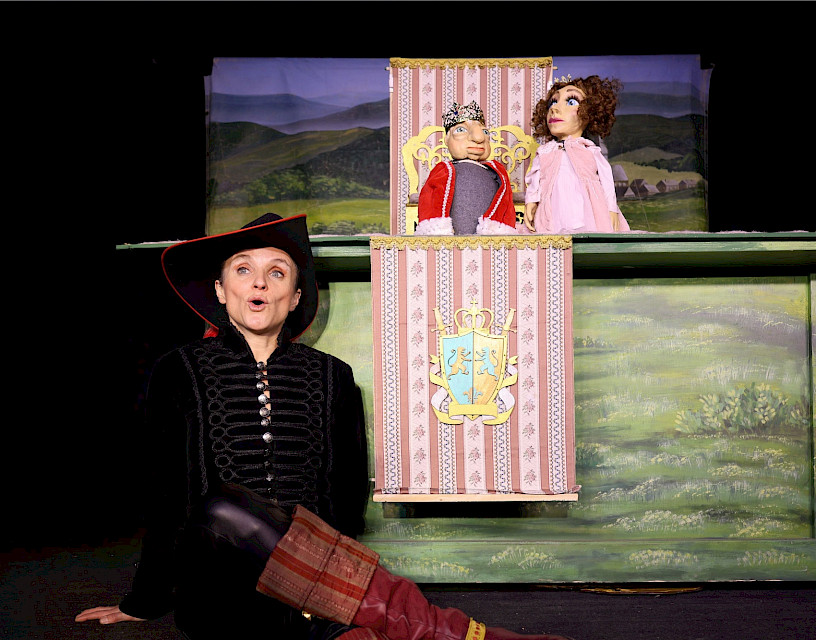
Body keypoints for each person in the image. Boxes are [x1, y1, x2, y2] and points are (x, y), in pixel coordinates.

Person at [77, 213, 570, 640]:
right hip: (218, 579)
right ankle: (439, 629)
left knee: (347, 632)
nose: (259, 283)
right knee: (224, 508)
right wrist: (144, 600)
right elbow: (167, 494)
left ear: (295, 297)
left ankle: (424, 631)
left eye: (276, 272)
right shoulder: (179, 370)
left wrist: (327, 579)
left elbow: (345, 494)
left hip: (316, 581)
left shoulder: (332, 375)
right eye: (243, 270)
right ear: (221, 291)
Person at [523, 75, 629, 234]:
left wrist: (611, 208)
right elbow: (535, 178)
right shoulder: (545, 151)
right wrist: (531, 200)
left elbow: (607, 180)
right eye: (553, 102)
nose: (554, 108)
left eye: (571, 101)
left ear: (590, 112)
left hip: (588, 210)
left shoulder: (590, 150)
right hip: (553, 209)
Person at [416, 101, 518, 235]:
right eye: (461, 130)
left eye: (485, 132)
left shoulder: (497, 172)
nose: (479, 138)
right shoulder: (443, 171)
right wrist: (436, 229)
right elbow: (429, 200)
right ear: (447, 140)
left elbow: (506, 204)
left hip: (489, 240)